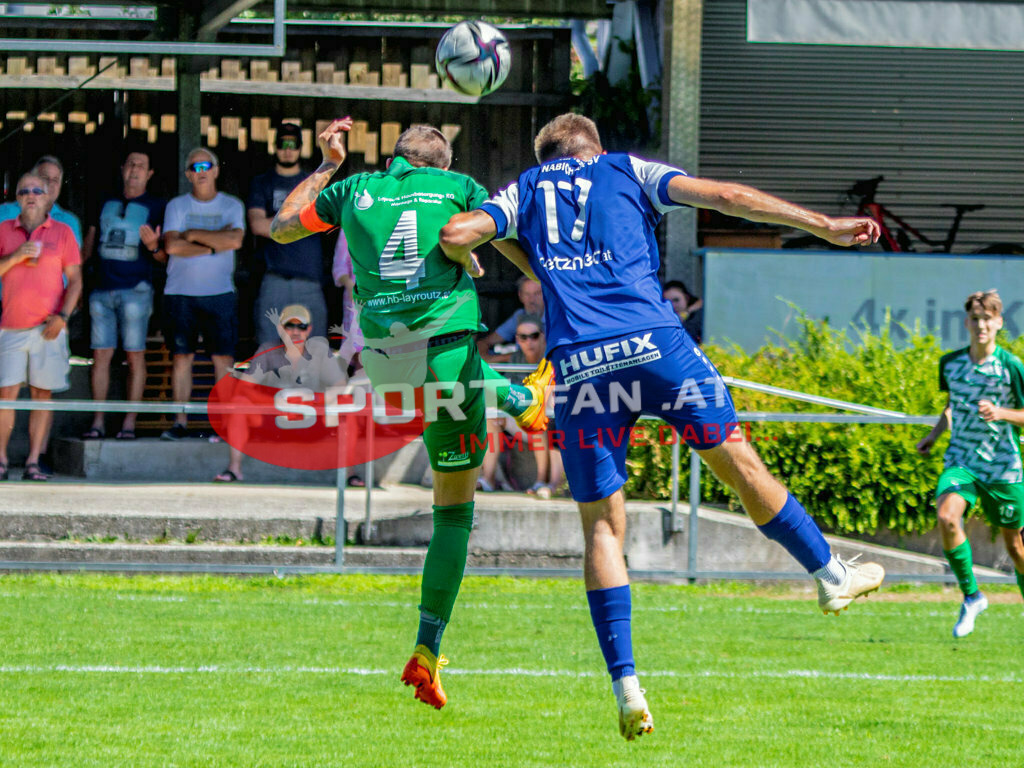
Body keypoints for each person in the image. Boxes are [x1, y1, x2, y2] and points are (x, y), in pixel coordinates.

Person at [440, 112, 886, 740]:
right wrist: (823, 225)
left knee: (602, 527)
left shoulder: (525, 191)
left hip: (582, 366)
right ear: (594, 146)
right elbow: (726, 197)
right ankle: (830, 575)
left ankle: (626, 685)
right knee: (739, 463)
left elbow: (456, 233)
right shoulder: (628, 169)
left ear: (546, 156)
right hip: (657, 347)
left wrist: (489, 253)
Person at [269, 119, 551, 712]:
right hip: (446, 363)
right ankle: (522, 400)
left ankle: (518, 399)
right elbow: (504, 240)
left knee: (447, 468)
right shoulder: (459, 188)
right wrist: (559, 285)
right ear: (443, 165)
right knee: (455, 516)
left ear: (396, 159)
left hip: (386, 371)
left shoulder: (354, 190)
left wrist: (329, 164)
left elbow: (283, 226)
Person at [915, 289, 1024, 637]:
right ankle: (972, 596)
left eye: (987, 319)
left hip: (1003, 466)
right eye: (975, 319)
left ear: (999, 322)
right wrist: (934, 435)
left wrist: (1001, 413)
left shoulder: (1011, 366)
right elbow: (952, 406)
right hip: (961, 461)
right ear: (966, 323)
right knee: (947, 517)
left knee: (1016, 547)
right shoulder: (951, 364)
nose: (981, 326)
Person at [0, 172, 82, 481]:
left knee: (42, 395)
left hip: (49, 328)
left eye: (37, 190)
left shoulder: (63, 232)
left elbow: (75, 281)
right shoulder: (3, 230)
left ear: (48, 197)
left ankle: (34, 462)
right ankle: (1, 460)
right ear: (17, 198)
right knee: (5, 395)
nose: (31, 196)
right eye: (24, 191)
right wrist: (16, 256)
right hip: (11, 326)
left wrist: (64, 317)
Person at [80, 148, 166, 440]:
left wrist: (154, 246)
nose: (134, 169)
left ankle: (129, 423)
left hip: (136, 291)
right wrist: (77, 282)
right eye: (130, 163)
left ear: (150, 174)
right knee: (100, 355)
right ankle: (98, 422)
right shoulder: (104, 201)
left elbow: (164, 258)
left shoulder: (157, 206)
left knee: (135, 355)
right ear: (122, 169)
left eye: (141, 165)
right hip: (101, 289)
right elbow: (88, 246)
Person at [161, 147, 245, 440]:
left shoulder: (232, 205)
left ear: (216, 170)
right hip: (180, 293)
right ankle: (180, 423)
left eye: (206, 166)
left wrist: (193, 234)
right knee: (181, 359)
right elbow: (172, 246)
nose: (201, 172)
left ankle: (223, 425)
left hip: (220, 293)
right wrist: (213, 245)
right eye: (195, 167)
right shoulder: (176, 206)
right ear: (187, 174)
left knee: (222, 360)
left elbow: (235, 240)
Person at [215, 303, 348, 482]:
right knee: (239, 403)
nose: (295, 332)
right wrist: (277, 405)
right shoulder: (267, 349)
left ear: (309, 330)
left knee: (346, 408)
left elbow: (341, 386)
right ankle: (234, 469)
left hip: (312, 420)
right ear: (280, 329)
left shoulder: (321, 350)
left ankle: (350, 473)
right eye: (289, 326)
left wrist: (315, 402)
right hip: (274, 420)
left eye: (301, 326)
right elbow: (244, 388)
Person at [248, 122, 328, 344]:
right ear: (275, 146)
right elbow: (257, 225)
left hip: (310, 279)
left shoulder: (313, 184)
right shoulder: (262, 182)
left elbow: (324, 221)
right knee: (269, 347)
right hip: (274, 278)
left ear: (301, 148)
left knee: (315, 349)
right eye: (283, 144)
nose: (287, 150)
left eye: (293, 145)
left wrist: (278, 224)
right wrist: (303, 220)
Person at [479, 314, 563, 497]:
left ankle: (541, 481)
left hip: (548, 424)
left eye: (534, 336)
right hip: (522, 419)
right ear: (517, 339)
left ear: (543, 337)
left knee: (537, 421)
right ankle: (488, 479)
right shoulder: (516, 357)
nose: (529, 342)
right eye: (523, 337)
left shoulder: (552, 358)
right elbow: (507, 391)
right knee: (491, 416)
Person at [476, 274, 544, 361]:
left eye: (537, 294)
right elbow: (486, 342)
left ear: (546, 295)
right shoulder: (519, 316)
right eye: (527, 294)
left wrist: (497, 358)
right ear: (520, 296)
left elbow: (536, 355)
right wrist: (483, 358)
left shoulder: (556, 318)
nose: (531, 300)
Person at [662, 278, 703, 344]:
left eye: (676, 300)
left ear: (687, 298)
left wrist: (687, 312)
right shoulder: (663, 321)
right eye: (668, 302)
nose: (673, 305)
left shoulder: (699, 316)